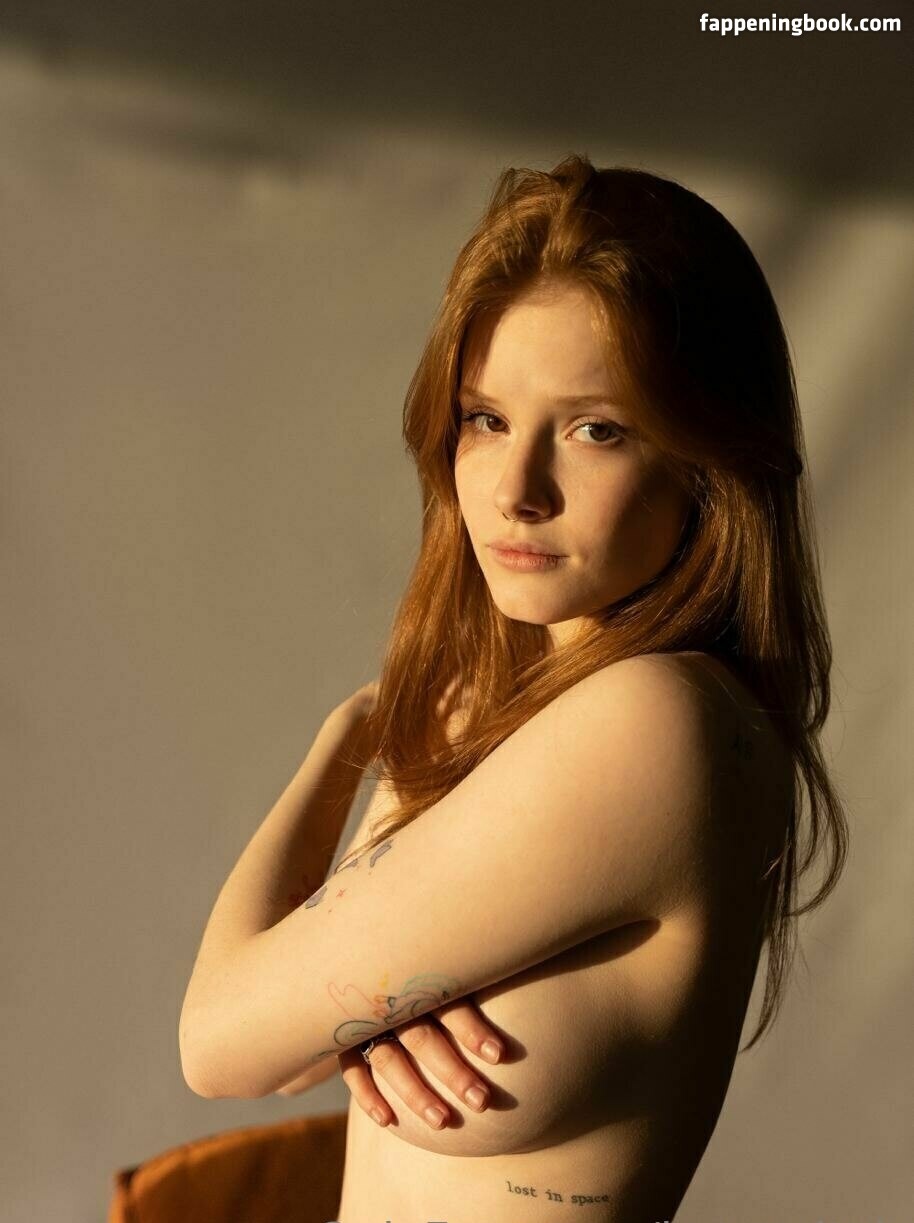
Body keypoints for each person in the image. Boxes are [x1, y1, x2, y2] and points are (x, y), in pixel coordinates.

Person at [179, 154, 848, 1223]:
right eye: (486, 418)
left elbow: (219, 1039)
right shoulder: (513, 714)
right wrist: (348, 1007)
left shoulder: (653, 720)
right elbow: (281, 1049)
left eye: (595, 428)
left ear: (708, 460)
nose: (515, 489)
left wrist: (352, 731)